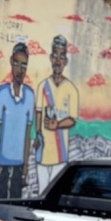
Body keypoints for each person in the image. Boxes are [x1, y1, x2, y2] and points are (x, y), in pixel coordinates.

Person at [33, 35, 79, 194]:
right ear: (51, 58)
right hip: (43, 152)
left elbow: (73, 119)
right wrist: (37, 135)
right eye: (55, 56)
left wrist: (57, 125)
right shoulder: (42, 86)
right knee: (42, 193)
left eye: (61, 56)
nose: (58, 61)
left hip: (61, 154)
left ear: (65, 61)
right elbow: (38, 113)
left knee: (55, 194)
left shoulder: (71, 89)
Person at [0, 42, 35, 198]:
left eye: (24, 65)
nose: (20, 69)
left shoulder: (30, 96)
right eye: (17, 63)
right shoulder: (1, 93)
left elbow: (27, 135)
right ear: (11, 62)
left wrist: (25, 168)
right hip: (2, 164)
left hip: (19, 165)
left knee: (15, 202)